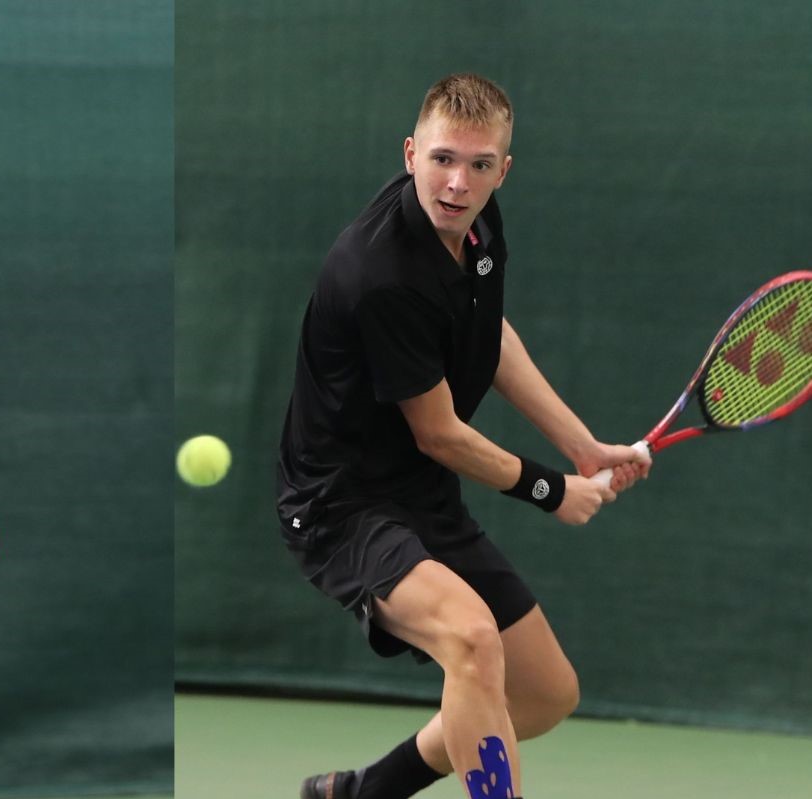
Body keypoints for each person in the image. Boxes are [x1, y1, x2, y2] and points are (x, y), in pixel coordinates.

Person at [276, 75, 650, 799]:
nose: (457, 183)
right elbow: (441, 435)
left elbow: (489, 335)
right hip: (341, 505)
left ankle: (362, 792)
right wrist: (552, 490)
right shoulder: (381, 273)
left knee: (544, 693)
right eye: (442, 159)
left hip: (419, 494)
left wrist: (582, 446)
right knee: (471, 639)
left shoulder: (477, 225)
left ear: (502, 170)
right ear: (410, 154)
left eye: (479, 165)